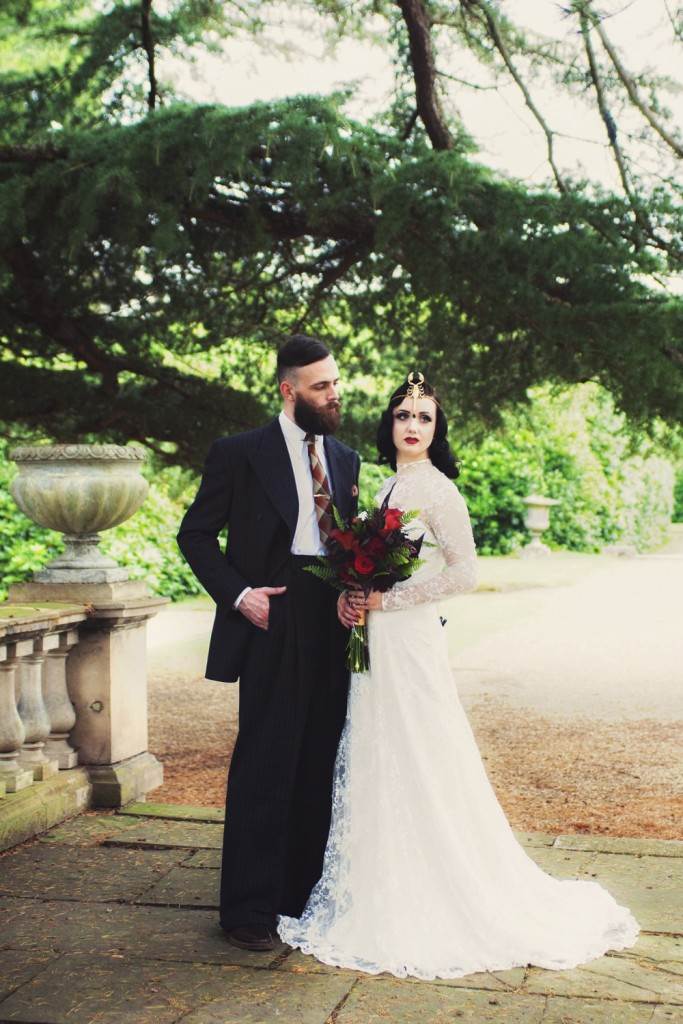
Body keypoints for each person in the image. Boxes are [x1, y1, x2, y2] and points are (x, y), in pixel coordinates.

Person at [277, 372, 640, 979]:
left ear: (436, 429)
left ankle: (438, 887)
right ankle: (374, 885)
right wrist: (352, 596)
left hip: (410, 640)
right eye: (403, 415)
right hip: (375, 640)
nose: (412, 426)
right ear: (389, 423)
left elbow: (464, 573)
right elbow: (365, 569)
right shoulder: (383, 481)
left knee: (419, 748)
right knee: (375, 748)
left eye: (424, 417)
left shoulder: (439, 490)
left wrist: (386, 602)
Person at [177, 335, 361, 952]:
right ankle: (248, 912)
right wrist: (240, 595)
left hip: (330, 618)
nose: (334, 394)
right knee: (265, 759)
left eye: (335, 383)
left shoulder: (346, 460)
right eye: (321, 387)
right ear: (289, 391)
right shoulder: (239, 453)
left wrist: (360, 593)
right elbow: (195, 535)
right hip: (270, 614)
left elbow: (349, 547)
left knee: (317, 757)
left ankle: (299, 900)